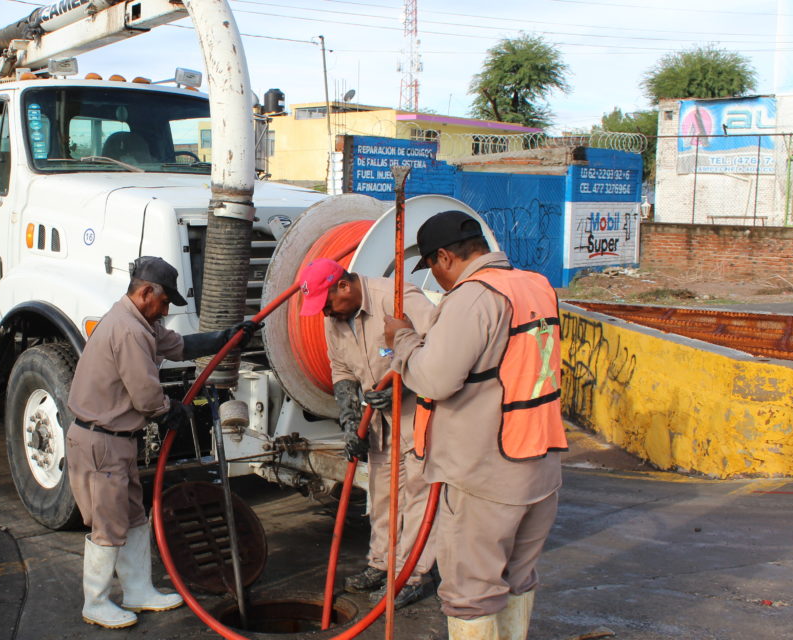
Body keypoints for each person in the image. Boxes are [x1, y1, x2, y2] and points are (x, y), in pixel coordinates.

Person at [382, 211, 567, 640]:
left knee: (472, 592)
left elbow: (434, 379)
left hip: (486, 473)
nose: (436, 279)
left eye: (431, 267)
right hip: (539, 464)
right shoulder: (535, 284)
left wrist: (402, 341)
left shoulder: (474, 296)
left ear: (444, 257)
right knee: (517, 579)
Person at [66, 256, 261, 629]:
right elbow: (145, 396)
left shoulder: (140, 322)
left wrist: (229, 336)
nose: (167, 309)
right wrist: (171, 410)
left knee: (134, 517)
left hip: (118, 440)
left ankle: (138, 590)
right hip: (100, 441)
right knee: (108, 525)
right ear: (145, 292)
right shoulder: (128, 330)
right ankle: (96, 601)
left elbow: (180, 347)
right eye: (165, 301)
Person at [296, 257, 439, 609]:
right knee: (382, 494)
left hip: (418, 416)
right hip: (378, 422)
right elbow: (341, 369)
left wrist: (402, 384)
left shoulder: (397, 299)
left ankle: (413, 575)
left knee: (418, 497)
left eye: (327, 303)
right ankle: (382, 564)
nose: (326, 313)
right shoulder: (337, 319)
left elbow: (438, 350)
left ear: (344, 285)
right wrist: (349, 421)